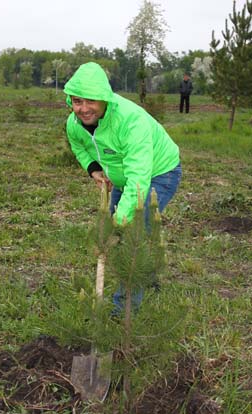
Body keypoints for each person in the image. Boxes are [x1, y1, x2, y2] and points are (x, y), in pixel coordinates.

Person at [64, 62, 182, 312]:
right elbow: (79, 145)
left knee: (132, 234)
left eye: (90, 101)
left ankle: (124, 313)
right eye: (77, 101)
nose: (83, 109)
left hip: (160, 172)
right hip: (124, 177)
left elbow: (139, 178)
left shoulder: (130, 121)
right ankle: (147, 277)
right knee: (125, 228)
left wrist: (120, 221)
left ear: (104, 99)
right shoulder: (74, 123)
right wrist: (93, 168)